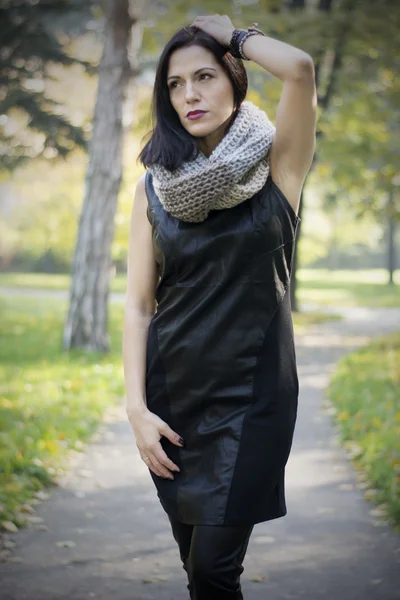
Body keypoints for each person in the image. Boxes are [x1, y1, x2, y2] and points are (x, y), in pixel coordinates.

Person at [123, 13, 317, 600]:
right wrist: (136, 409)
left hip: (252, 400)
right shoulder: (153, 189)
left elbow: (301, 70)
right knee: (196, 572)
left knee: (213, 570)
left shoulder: (279, 169)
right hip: (174, 402)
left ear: (236, 80)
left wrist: (236, 36)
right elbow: (138, 306)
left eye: (205, 77)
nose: (190, 95)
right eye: (176, 84)